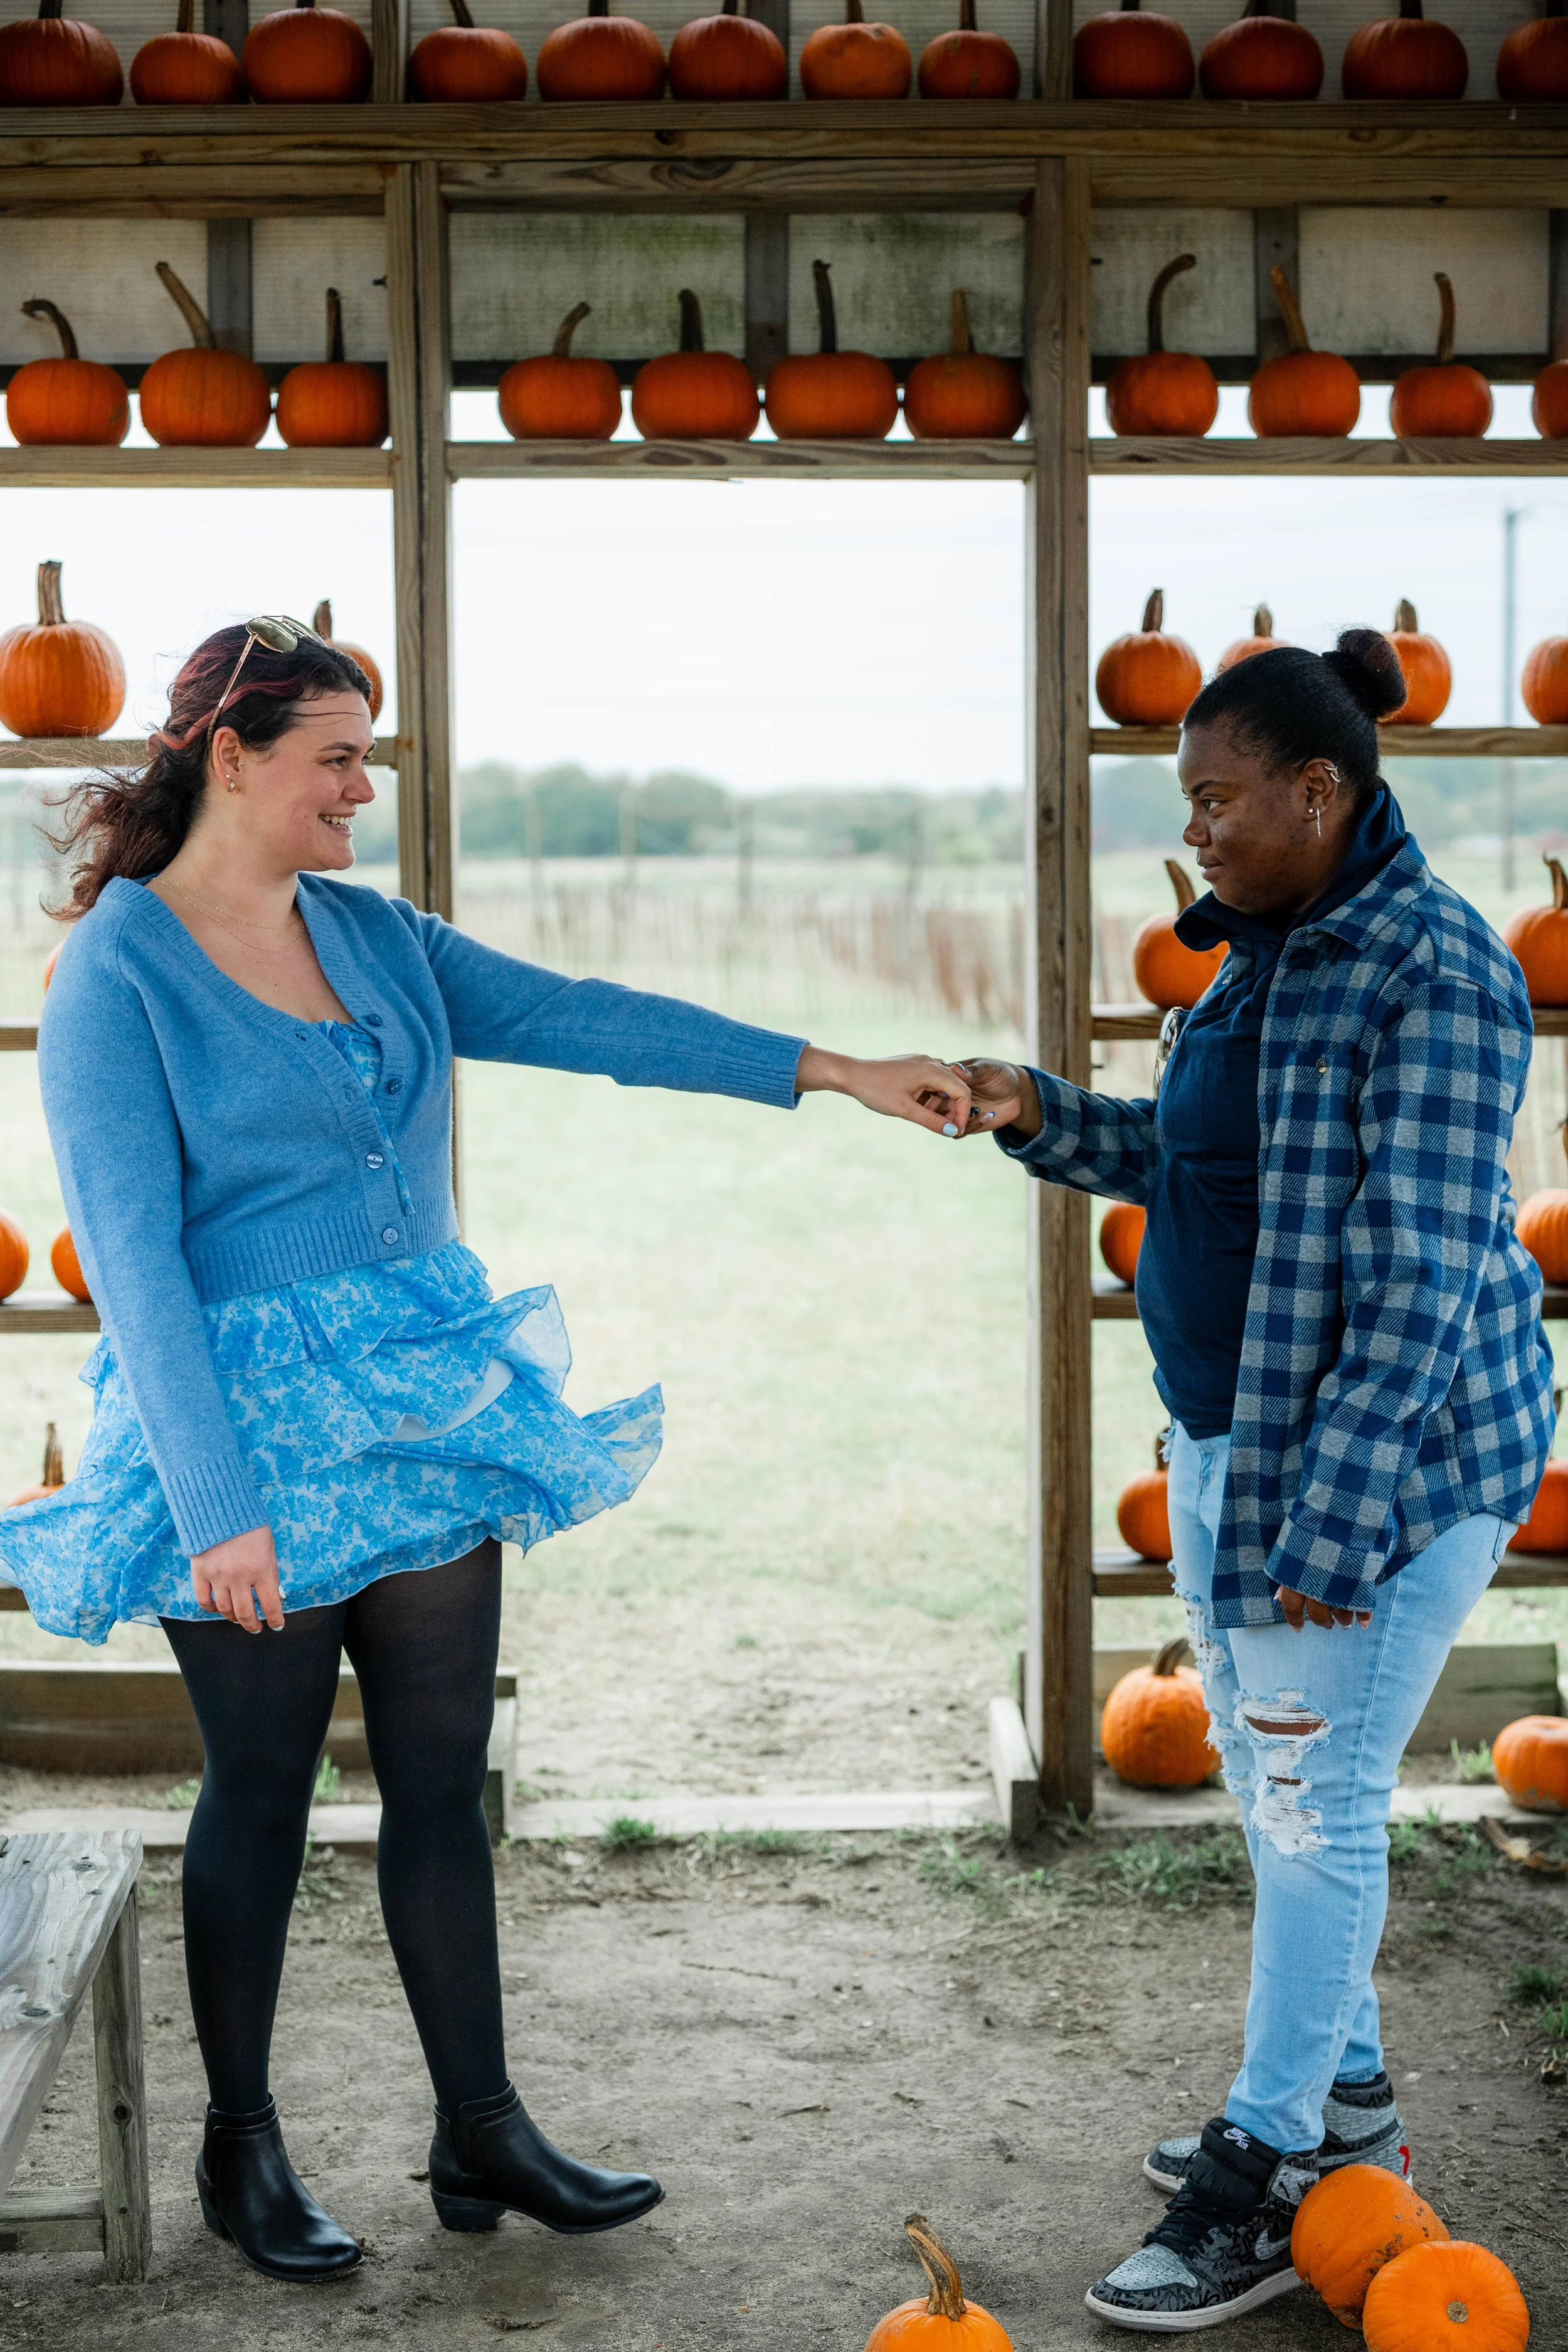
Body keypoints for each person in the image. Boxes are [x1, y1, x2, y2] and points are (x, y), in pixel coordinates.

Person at [0, 615, 975, 2286]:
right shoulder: (119, 972)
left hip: (429, 1402)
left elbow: (590, 1015)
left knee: (444, 1778)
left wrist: (833, 1070)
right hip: (241, 1429)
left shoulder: (372, 937)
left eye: (366, 759)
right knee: (266, 1786)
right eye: (336, 758)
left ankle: (482, 2128)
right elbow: (135, 1259)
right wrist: (220, 1505)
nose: (360, 790)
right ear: (231, 753)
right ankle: (243, 2155)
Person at [953, 628, 1552, 2332]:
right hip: (1234, 1443)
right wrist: (1034, 1108)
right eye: (1187, 801)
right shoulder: (1268, 956)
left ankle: (1272, 2171)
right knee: (1288, 1800)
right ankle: (1349, 2108)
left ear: (1318, 788)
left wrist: (1335, 1519)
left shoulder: (1431, 974)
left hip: (1374, 1472)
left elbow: (1424, 1270)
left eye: (1220, 800)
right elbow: (1185, 1158)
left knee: (1309, 1806)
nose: (1196, 832)